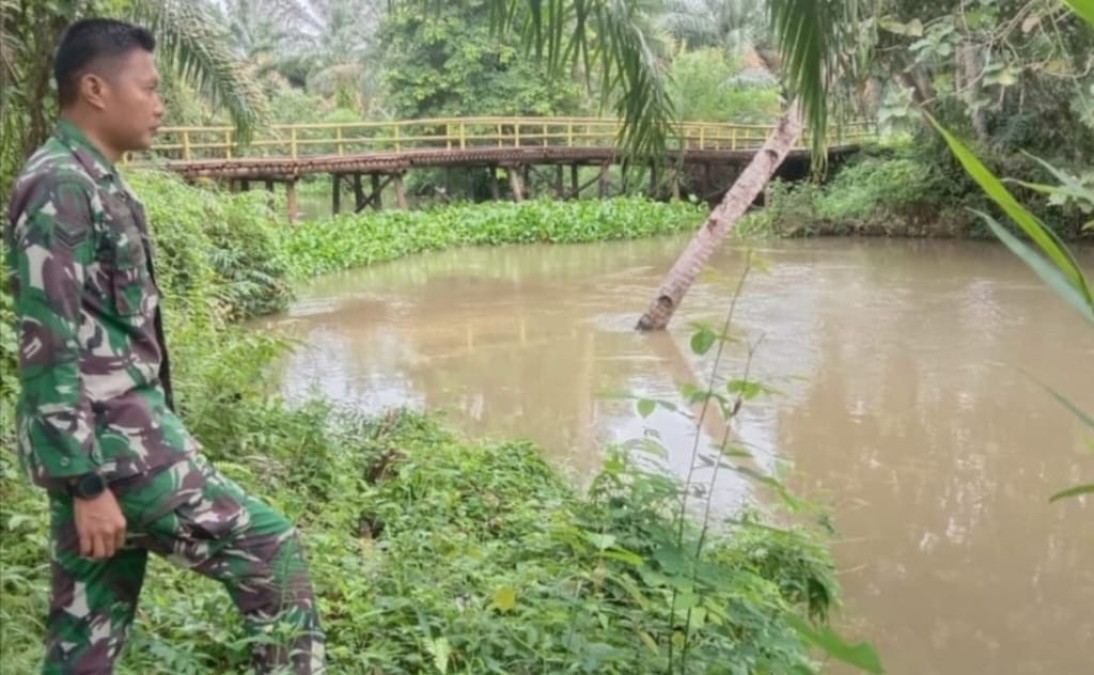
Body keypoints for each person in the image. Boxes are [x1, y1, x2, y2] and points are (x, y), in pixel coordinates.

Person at [3, 18, 325, 674]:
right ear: (94, 88)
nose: (160, 102)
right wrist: (85, 482)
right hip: (119, 458)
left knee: (84, 637)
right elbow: (48, 343)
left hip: (112, 451)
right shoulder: (61, 184)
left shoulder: (95, 179)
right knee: (273, 552)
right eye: (148, 87)